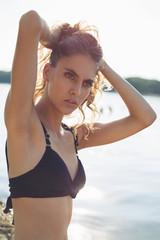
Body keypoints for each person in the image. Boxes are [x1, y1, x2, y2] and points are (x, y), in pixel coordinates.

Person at [3, 10, 156, 240]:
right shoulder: (24, 125)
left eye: (87, 83)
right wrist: (61, 41)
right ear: (47, 71)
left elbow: (145, 117)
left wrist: (101, 65)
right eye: (69, 75)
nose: (77, 91)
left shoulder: (74, 137)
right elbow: (31, 21)